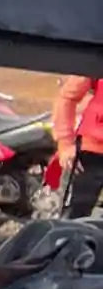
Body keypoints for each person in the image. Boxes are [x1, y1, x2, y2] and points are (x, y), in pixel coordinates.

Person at [53, 75, 103, 217]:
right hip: (93, 151)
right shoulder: (95, 62)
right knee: (77, 216)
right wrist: (65, 142)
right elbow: (67, 97)